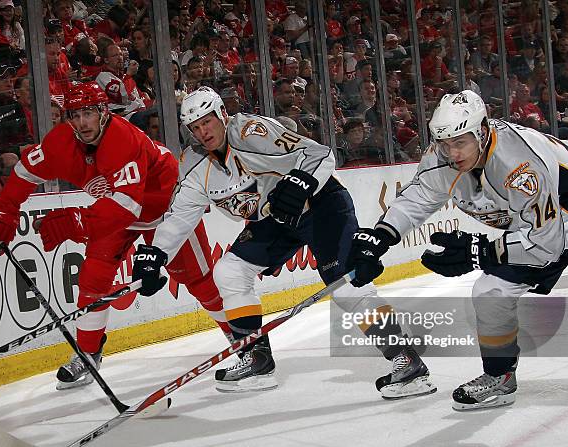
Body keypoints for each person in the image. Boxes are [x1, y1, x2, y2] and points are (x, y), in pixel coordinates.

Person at [131, 86, 436, 397]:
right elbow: (181, 215)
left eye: (207, 122)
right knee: (230, 271)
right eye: (195, 128)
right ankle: (257, 360)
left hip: (320, 205)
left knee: (345, 286)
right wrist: (156, 253)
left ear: (222, 114)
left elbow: (319, 154)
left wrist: (301, 182)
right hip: (275, 219)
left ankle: (407, 362)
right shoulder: (196, 164)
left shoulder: (251, 132)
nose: (202, 131)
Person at [0, 82, 231, 390]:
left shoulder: (124, 140)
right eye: (74, 115)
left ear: (104, 112)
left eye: (88, 113)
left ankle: (241, 337)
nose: (82, 123)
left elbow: (127, 206)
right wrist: (4, 208)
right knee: (93, 277)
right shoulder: (60, 142)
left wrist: (80, 223)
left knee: (196, 279)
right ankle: (88, 354)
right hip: (119, 207)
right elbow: (25, 171)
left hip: (165, 206)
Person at [347, 90, 568, 411]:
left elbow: (546, 243)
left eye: (460, 143)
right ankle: (500, 378)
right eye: (445, 144)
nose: (452, 153)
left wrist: (480, 252)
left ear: (483, 131)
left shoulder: (517, 161)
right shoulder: (444, 155)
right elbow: (418, 197)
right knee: (491, 291)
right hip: (546, 225)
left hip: (564, 217)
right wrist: (379, 238)